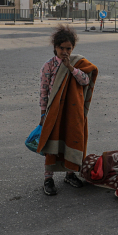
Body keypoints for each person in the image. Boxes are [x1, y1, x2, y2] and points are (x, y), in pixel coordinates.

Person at [38, 25, 98, 196]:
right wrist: (43, 114)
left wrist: (71, 68)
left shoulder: (77, 63)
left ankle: (70, 174)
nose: (65, 52)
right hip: (54, 112)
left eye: (68, 48)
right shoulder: (48, 66)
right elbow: (44, 92)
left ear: (73, 48)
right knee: (52, 144)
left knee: (72, 139)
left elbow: (86, 81)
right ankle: (48, 178)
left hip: (73, 112)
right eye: (61, 48)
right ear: (55, 47)